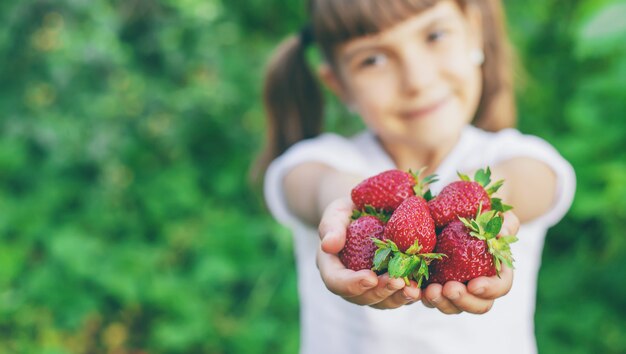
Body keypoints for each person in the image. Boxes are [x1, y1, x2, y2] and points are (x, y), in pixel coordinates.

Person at [256, 1, 576, 353]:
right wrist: (347, 208)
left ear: (474, 31)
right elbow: (314, 185)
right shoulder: (323, 159)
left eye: (435, 35)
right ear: (339, 86)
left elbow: (532, 180)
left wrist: (473, 197)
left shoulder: (513, 155)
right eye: (372, 60)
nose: (417, 79)